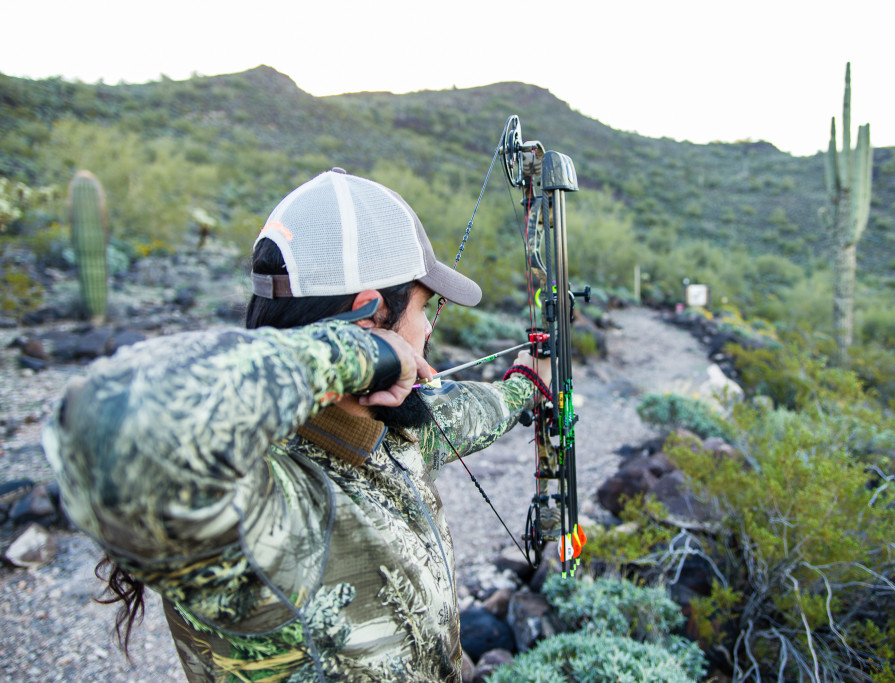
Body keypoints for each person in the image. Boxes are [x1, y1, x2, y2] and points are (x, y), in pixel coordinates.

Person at [43, 169, 551, 683]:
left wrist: (526, 384)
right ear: (367, 319)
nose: (428, 330)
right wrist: (359, 352)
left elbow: (467, 412)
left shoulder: (391, 434)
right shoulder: (266, 506)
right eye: (426, 307)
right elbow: (106, 423)